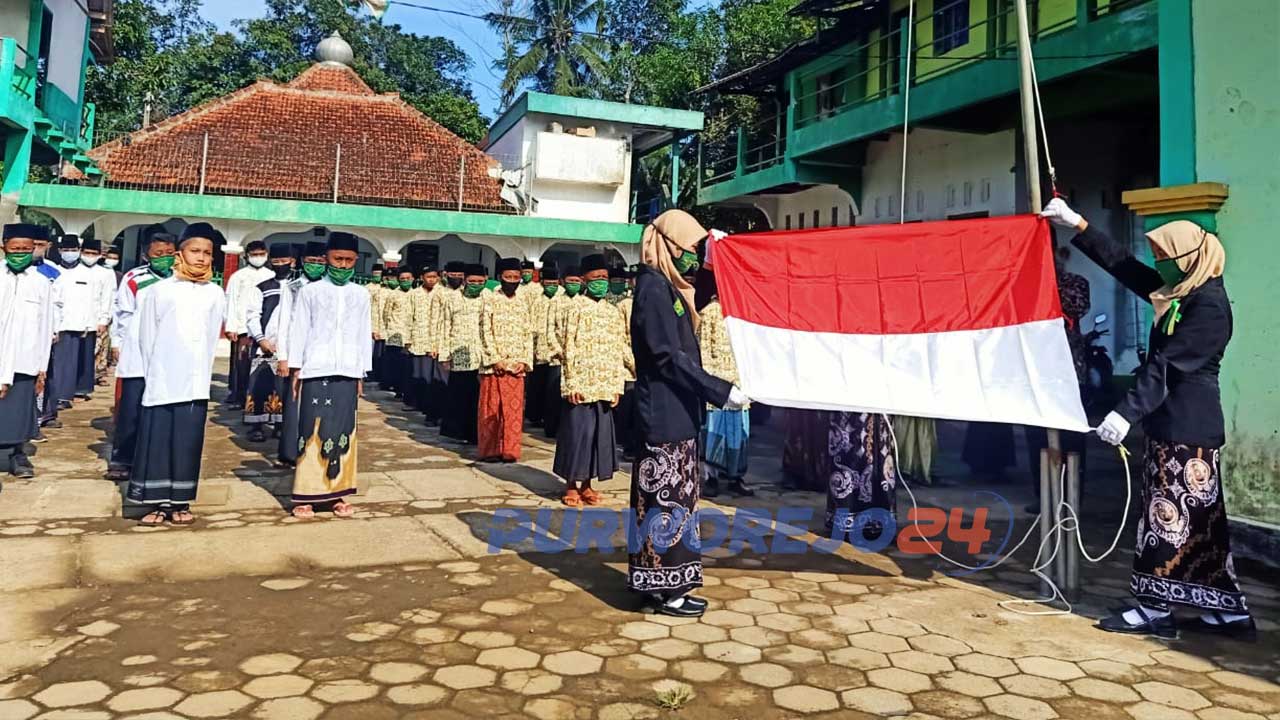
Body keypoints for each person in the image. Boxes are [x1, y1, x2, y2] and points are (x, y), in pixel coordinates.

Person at [1042, 198, 1252, 639]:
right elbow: (1126, 266)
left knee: (1167, 517)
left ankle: (1156, 609)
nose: (1161, 267)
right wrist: (1077, 223)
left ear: (1190, 259)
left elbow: (1169, 367)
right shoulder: (1183, 290)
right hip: (1174, 426)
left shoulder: (1208, 307)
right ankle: (1228, 612)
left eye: (1166, 259)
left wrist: (1124, 411)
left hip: (1187, 429)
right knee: (1201, 524)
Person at [628, 210, 746, 617]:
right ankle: (669, 589)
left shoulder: (665, 286)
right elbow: (666, 357)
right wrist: (719, 390)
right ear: (667, 245)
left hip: (674, 412)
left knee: (669, 500)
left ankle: (656, 582)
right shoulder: (653, 289)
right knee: (667, 502)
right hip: (663, 414)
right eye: (688, 248)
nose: (692, 257)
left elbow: (684, 335)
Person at [127, 223, 226, 526]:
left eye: (207, 253)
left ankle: (180, 502)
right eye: (195, 251)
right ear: (180, 254)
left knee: (187, 442)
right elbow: (145, 338)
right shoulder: (158, 291)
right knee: (158, 440)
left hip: (195, 382)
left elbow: (211, 339)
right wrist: (153, 373)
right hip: (161, 379)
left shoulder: (215, 294)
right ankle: (156, 503)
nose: (201, 258)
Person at [287, 231, 372, 518]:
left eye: (349, 260)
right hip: (315, 369)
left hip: (347, 370)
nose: (343, 265)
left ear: (356, 261)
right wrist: (296, 367)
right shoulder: (311, 292)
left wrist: (361, 372)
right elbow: (299, 329)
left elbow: (363, 335)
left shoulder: (361, 294)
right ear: (327, 258)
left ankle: (339, 493)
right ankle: (307, 495)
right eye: (338, 259)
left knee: (344, 431)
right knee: (312, 429)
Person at [553, 253, 631, 506]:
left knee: (598, 438)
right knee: (577, 436)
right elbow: (567, 347)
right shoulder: (573, 307)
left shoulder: (613, 311)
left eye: (605, 277)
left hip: (605, 385)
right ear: (585, 279)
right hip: (581, 384)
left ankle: (588, 484)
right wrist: (570, 384)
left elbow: (620, 347)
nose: (601, 281)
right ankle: (571, 485)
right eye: (596, 277)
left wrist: (617, 385)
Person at [105, 232, 177, 481]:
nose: (165, 259)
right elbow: (122, 314)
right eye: (159, 254)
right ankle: (122, 457)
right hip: (136, 352)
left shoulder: (181, 279)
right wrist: (117, 343)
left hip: (169, 353)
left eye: (169, 254)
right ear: (146, 254)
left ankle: (152, 457)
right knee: (131, 408)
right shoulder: (135, 278)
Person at [0, 224, 54, 480]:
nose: (20, 253)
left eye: (25, 249)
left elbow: (46, 325)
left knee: (20, 411)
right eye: (14, 248)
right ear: (3, 248)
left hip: (25, 357)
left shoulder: (42, 283)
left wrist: (42, 366)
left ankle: (18, 455)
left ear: (33, 249)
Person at [697, 284, 753, 498]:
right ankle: (711, 477)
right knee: (715, 433)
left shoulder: (743, 310)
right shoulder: (709, 312)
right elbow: (704, 352)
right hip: (718, 386)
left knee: (739, 433)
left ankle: (736, 477)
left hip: (740, 383)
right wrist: (712, 383)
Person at [278, 240, 328, 467]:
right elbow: (284, 322)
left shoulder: (330, 287)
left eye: (320, 262)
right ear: (302, 262)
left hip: (321, 353)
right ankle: (290, 451)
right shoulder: (293, 286)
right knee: (295, 402)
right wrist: (284, 356)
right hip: (297, 352)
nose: (315, 266)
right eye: (311, 262)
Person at [478, 258, 533, 462]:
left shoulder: (523, 301)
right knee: (491, 409)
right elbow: (485, 331)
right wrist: (494, 359)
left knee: (513, 411)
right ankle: (490, 450)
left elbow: (528, 332)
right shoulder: (490, 299)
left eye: (516, 277)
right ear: (500, 277)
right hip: (495, 366)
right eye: (508, 277)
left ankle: (510, 450)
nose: (512, 281)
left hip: (516, 366)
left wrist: (524, 361)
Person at [242, 244, 295, 442]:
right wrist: (261, 339)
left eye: (284, 261)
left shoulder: (298, 287)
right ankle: (256, 425)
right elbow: (253, 315)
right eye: (277, 262)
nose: (281, 265)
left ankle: (281, 425)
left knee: (284, 389)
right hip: (265, 346)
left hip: (288, 347)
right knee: (259, 387)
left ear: (293, 262)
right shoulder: (263, 287)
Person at [49, 235, 105, 413]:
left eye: (73, 250)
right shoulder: (54, 271)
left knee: (69, 363)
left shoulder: (89, 274)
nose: (69, 253)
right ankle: (54, 395)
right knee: (56, 363)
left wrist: (93, 323)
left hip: (77, 324)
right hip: (56, 323)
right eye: (66, 250)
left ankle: (64, 396)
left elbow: (93, 300)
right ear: (59, 251)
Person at [439, 264, 487, 444]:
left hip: (482, 352)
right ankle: (457, 431)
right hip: (459, 349)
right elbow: (444, 325)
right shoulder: (452, 298)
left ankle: (476, 433)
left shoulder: (488, 299)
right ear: (465, 280)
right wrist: (444, 354)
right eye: (472, 281)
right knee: (459, 393)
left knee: (478, 395)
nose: (476, 284)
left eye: (480, 281)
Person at [223, 240, 273, 409]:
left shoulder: (270, 275)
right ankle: (237, 395)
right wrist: (231, 326)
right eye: (254, 255)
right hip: (242, 326)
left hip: (262, 326)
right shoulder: (238, 276)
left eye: (261, 254)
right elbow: (231, 301)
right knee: (241, 364)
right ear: (247, 256)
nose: (258, 258)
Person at [543, 265, 581, 439]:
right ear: (563, 282)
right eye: (571, 281)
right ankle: (551, 428)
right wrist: (558, 350)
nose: (574, 284)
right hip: (558, 357)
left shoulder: (582, 302)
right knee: (553, 394)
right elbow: (549, 329)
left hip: (578, 358)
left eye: (577, 281)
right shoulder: (556, 301)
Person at [407, 265, 444, 420]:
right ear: (422, 277)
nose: (432, 280)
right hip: (418, 338)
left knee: (433, 377)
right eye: (428, 277)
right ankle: (418, 403)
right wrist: (408, 338)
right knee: (418, 374)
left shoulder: (442, 293)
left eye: (434, 277)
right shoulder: (414, 294)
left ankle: (430, 406)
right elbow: (409, 316)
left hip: (436, 339)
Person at [525, 264, 560, 427]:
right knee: (536, 386)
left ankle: (550, 418)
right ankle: (534, 416)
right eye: (548, 283)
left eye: (554, 284)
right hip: (538, 349)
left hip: (556, 352)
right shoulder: (535, 298)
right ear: (542, 282)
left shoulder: (561, 298)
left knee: (552, 389)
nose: (551, 286)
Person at [380, 268, 414, 401]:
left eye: (408, 278)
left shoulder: (415, 294)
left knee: (408, 365)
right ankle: (397, 389)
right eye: (403, 279)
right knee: (396, 364)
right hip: (395, 333)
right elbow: (386, 313)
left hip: (410, 334)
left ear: (413, 279)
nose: (405, 281)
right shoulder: (393, 294)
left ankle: (406, 390)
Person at [367, 262, 387, 383]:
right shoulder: (368, 288)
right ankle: (370, 373)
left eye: (379, 274)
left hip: (384, 324)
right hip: (372, 322)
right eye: (375, 274)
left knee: (382, 353)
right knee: (371, 352)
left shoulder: (385, 289)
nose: (377, 276)